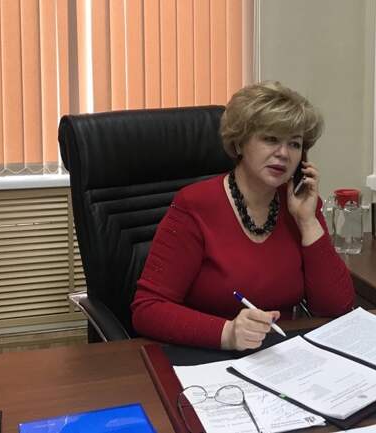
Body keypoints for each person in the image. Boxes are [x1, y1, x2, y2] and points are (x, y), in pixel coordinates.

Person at [131, 81, 355, 350]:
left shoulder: (300, 205)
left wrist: (307, 221)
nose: (283, 154)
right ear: (239, 143)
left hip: (281, 353)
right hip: (209, 355)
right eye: (270, 139)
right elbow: (148, 309)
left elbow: (336, 307)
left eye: (294, 144)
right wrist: (227, 333)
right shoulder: (195, 205)